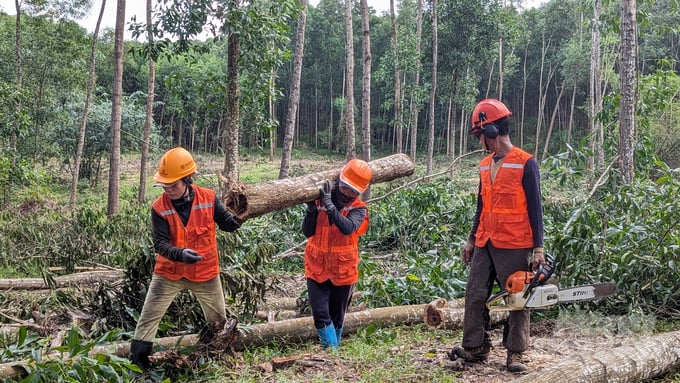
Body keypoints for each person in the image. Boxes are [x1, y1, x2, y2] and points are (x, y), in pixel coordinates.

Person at [449, 99, 545, 373]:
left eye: (481, 135)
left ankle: (516, 353)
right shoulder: (484, 165)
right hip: (485, 239)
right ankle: (475, 347)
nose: (480, 141)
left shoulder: (526, 163)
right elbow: (482, 205)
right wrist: (470, 239)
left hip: (515, 243)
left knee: (517, 297)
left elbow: (536, 208)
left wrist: (539, 248)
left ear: (491, 131)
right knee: (475, 294)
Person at [128, 147, 243, 371]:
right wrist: (180, 254)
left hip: (205, 273)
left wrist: (242, 212)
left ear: (187, 179)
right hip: (169, 273)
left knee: (218, 320)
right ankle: (138, 365)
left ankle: (217, 358)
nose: (168, 190)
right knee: (148, 317)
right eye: (165, 185)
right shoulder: (159, 207)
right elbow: (160, 244)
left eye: (173, 185)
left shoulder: (208, 198)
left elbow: (228, 224)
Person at [302, 159, 372, 350]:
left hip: (343, 270)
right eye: (345, 187)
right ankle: (331, 351)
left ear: (359, 192)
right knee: (320, 312)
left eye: (353, 191)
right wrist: (311, 210)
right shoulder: (321, 199)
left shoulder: (359, 208)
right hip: (317, 266)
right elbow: (308, 232)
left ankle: (335, 347)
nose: (347, 193)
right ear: (339, 181)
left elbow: (348, 227)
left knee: (337, 315)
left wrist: (330, 206)